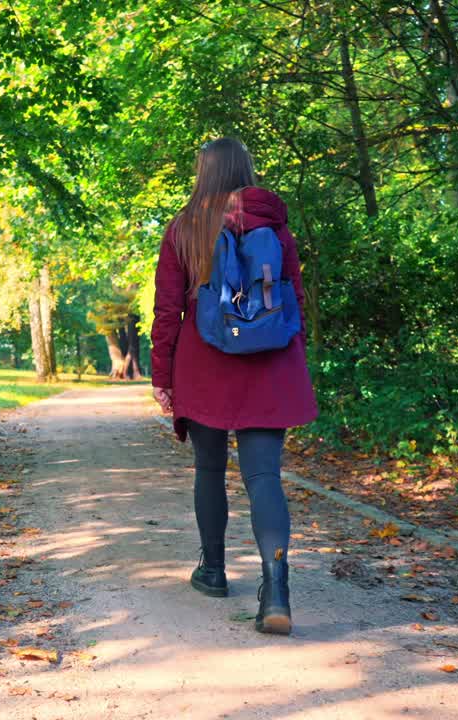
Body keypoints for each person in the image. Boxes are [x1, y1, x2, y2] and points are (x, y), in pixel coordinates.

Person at [150, 137, 318, 635]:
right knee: (264, 477)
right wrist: (295, 359)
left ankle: (214, 570)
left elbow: (167, 310)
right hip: (270, 361)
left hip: (205, 361)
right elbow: (294, 299)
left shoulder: (184, 228)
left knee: (209, 467)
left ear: (202, 173)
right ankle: (276, 589)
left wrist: (163, 375)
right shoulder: (274, 224)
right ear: (245, 170)